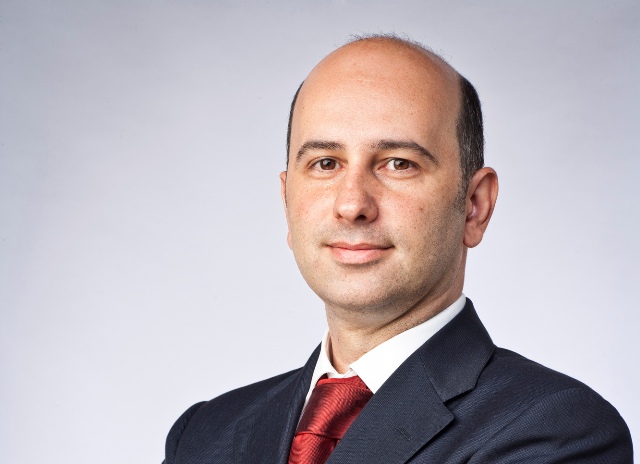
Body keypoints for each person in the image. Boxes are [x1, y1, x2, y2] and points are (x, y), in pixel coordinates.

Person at [163, 35, 633, 463]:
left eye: (398, 163)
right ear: (287, 203)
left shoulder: (558, 432)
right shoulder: (204, 435)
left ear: (474, 206)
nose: (352, 205)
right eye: (325, 163)